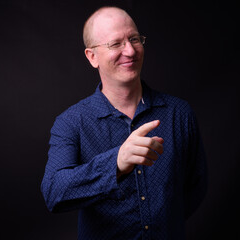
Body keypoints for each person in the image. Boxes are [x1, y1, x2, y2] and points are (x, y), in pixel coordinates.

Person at [41, 6, 207, 240]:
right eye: (115, 44)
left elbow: (195, 188)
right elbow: (54, 192)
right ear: (92, 57)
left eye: (134, 39)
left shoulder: (179, 113)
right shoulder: (70, 122)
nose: (130, 50)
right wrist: (115, 164)